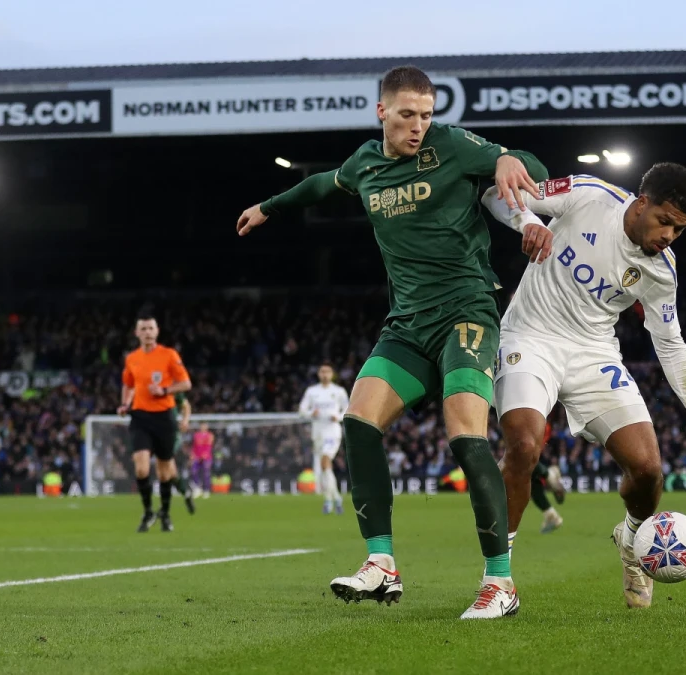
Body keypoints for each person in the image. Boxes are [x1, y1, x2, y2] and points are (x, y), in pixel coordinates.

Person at [236, 65, 551, 619]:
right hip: (406, 324)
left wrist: (509, 158)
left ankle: (500, 582)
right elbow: (321, 184)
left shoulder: (452, 146)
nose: (418, 127)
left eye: (426, 115)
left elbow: (533, 167)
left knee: (464, 432)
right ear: (381, 111)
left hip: (465, 313)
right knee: (358, 422)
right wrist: (269, 207)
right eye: (407, 115)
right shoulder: (365, 163)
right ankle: (381, 566)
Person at [482, 163, 686, 610]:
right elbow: (494, 195)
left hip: (594, 353)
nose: (669, 236)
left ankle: (631, 542)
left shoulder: (662, 270)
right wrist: (529, 222)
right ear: (641, 203)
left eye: (680, 230)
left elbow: (671, 343)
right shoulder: (588, 194)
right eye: (665, 221)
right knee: (525, 445)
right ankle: (498, 580)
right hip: (530, 336)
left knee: (647, 469)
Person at [118, 309, 192, 532]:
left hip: (164, 417)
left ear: (157, 331)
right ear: (136, 333)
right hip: (140, 417)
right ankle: (148, 511)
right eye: (143, 329)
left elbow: (186, 384)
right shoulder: (132, 359)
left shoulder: (169, 355)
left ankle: (166, 515)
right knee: (141, 469)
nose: (148, 332)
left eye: (151, 328)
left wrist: (164, 390)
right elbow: (128, 384)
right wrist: (125, 404)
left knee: (164, 472)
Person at [298, 363, 350, 515]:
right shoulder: (312, 391)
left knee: (325, 461)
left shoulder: (339, 391)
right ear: (318, 374)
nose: (325, 374)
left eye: (327, 371)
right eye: (322, 371)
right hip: (318, 433)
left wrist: (338, 416)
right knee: (324, 468)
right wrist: (310, 414)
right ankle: (335, 499)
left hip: (332, 432)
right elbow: (302, 410)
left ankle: (329, 501)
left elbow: (347, 409)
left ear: (332, 374)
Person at [190, 421, 215, 499]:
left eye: (204, 426)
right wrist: (192, 454)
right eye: (202, 426)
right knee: (193, 471)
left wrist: (204, 455)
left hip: (206, 457)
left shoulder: (210, 435)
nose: (203, 427)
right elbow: (194, 446)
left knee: (206, 473)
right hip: (197, 457)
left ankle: (206, 490)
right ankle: (197, 488)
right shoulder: (196, 435)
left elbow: (209, 447)